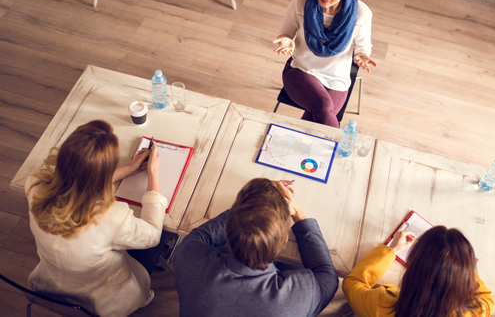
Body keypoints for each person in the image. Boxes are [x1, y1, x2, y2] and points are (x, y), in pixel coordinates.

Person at [25, 120, 168, 317]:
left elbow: (76, 181)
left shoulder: (34, 184)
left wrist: (126, 169)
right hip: (103, 302)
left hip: (48, 285)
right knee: (163, 233)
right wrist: (153, 175)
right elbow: (152, 234)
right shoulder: (113, 216)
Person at [174, 178, 339, 317]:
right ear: (285, 240)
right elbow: (327, 275)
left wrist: (253, 204)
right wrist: (297, 213)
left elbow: (198, 237)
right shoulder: (302, 293)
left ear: (228, 231)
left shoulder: (189, 259)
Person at [273, 0, 375, 128]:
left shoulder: (361, 13)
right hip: (300, 71)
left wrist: (362, 55)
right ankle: (336, 150)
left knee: (320, 114)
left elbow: (362, 47)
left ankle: (297, 150)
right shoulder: (301, 2)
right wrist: (287, 40)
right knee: (324, 107)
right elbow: (285, 32)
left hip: (337, 81)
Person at [343, 226, 495, 317]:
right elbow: (488, 298)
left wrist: (392, 250)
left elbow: (352, 283)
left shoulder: (382, 304)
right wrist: (457, 264)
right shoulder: (476, 311)